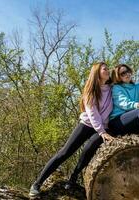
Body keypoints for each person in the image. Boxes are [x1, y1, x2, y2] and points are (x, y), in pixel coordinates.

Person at [29, 62, 114, 198]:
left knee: (88, 151)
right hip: (87, 125)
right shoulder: (90, 90)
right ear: (97, 72)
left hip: (101, 128)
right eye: (105, 69)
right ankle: (37, 183)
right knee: (64, 153)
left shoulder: (111, 88)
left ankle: (73, 178)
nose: (108, 71)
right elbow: (92, 114)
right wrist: (101, 131)